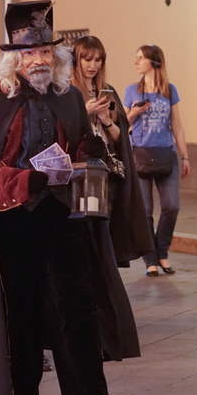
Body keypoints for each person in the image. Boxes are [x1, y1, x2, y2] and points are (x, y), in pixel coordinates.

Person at [0, 0, 140, 395]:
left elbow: (80, 146)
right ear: (13, 60)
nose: (38, 60)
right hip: (15, 220)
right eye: (28, 54)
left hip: (64, 215)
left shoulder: (70, 97)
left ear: (56, 57)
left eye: (44, 52)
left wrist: (89, 153)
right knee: (21, 308)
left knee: (76, 302)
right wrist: (22, 181)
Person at [70, 36, 152, 267]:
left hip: (108, 173)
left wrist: (107, 121)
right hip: (79, 175)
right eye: (86, 59)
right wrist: (84, 112)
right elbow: (63, 132)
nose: (92, 65)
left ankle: (106, 275)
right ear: (76, 60)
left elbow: (119, 138)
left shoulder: (107, 91)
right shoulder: (67, 92)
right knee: (85, 231)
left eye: (97, 59)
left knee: (107, 228)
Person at [124, 45, 190, 277]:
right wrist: (133, 113)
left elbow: (178, 127)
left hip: (166, 155)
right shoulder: (132, 90)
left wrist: (185, 156)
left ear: (154, 62)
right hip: (139, 155)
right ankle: (150, 260)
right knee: (145, 211)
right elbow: (123, 124)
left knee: (172, 207)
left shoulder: (169, 91)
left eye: (140, 58)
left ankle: (162, 253)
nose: (136, 62)